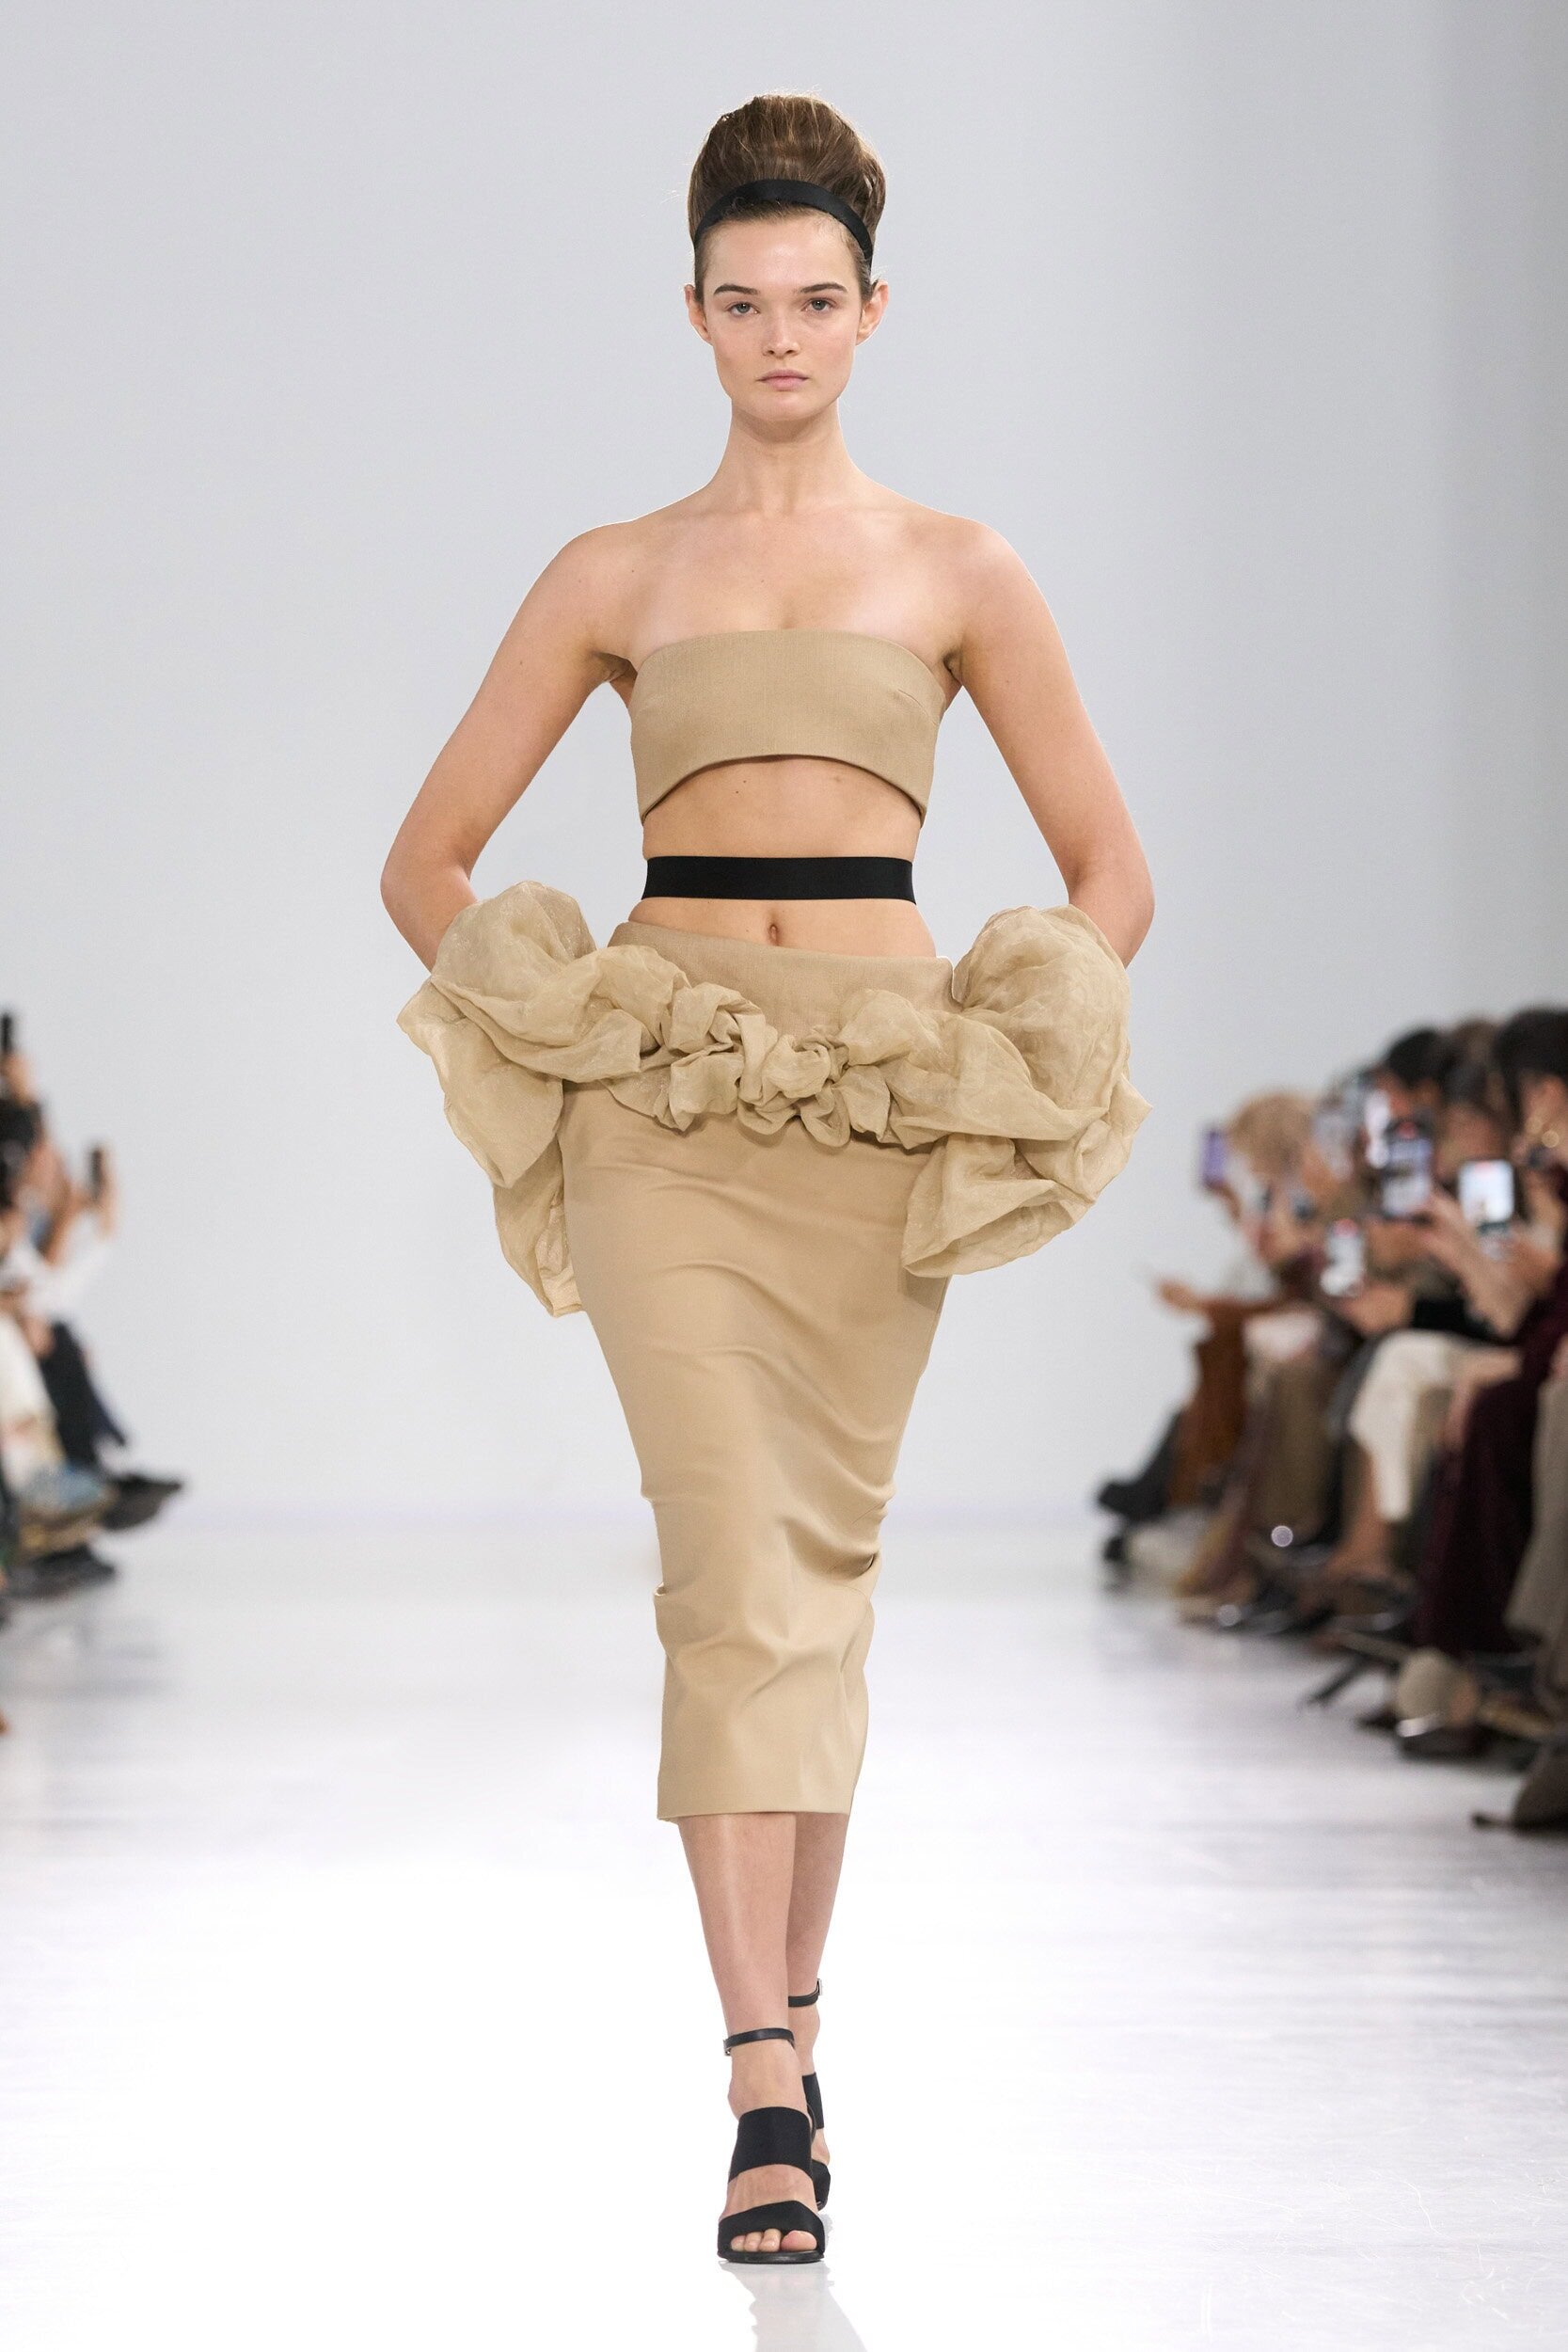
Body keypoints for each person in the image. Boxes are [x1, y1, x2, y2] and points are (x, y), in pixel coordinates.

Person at [382, 93, 1152, 2265]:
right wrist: (579, 1024)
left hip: (873, 1113)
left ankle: (797, 2025)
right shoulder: (615, 572)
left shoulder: (962, 569)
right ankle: (758, 2084)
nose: (782, 334)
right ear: (696, 314)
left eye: (816, 299)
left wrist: (1005, 1044)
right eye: (745, 302)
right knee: (729, 1564)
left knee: (816, 1575)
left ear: (873, 310)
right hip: (670, 1109)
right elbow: (426, 856)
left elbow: (1111, 865)